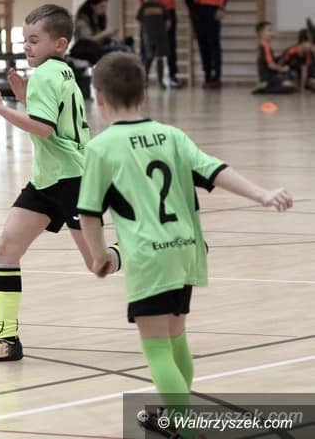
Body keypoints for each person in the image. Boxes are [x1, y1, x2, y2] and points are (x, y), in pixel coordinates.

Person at [76, 52, 292, 438]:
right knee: (176, 339)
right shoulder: (170, 135)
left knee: (157, 350)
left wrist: (99, 256)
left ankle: (189, 432)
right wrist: (262, 194)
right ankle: (175, 420)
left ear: (98, 97)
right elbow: (215, 169)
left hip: (148, 257)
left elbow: (89, 213)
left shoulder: (101, 147)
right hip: (186, 249)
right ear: (144, 95)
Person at [0, 4, 92, 363]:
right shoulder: (61, 70)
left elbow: (45, 129)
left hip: (71, 178)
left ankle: (169, 249)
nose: (27, 47)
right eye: (25, 40)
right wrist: (24, 99)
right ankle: (5, 339)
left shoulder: (47, 75)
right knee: (7, 249)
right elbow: (56, 120)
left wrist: (3, 108)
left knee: (99, 263)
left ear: (59, 43)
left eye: (35, 40)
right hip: (49, 178)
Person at [70, 0, 125, 65]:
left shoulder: (97, 18)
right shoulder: (82, 21)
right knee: (122, 50)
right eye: (102, 6)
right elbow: (88, 41)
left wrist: (109, 35)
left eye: (105, 7)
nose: (104, 10)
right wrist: (105, 33)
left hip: (97, 47)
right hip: (87, 50)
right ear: (93, 5)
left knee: (124, 46)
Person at [136, 0, 171, 89]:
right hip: (159, 35)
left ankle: (146, 81)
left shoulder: (144, 6)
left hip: (149, 36)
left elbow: (138, 21)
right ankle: (159, 82)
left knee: (149, 58)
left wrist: (146, 28)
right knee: (158, 58)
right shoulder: (161, 6)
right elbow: (168, 22)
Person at [252, 21, 295, 94]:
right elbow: (270, 65)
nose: (272, 33)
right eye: (269, 30)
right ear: (261, 33)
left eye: (272, 30)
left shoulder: (264, 46)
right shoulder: (265, 47)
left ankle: (265, 86)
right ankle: (263, 88)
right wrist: (282, 69)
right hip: (268, 78)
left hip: (269, 76)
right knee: (290, 87)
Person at [280, 26, 315, 92]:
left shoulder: (308, 53)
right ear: (303, 41)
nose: (311, 46)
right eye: (310, 43)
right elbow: (280, 64)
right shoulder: (291, 51)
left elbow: (304, 72)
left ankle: (300, 88)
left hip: (304, 79)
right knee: (293, 74)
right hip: (289, 77)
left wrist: (302, 89)